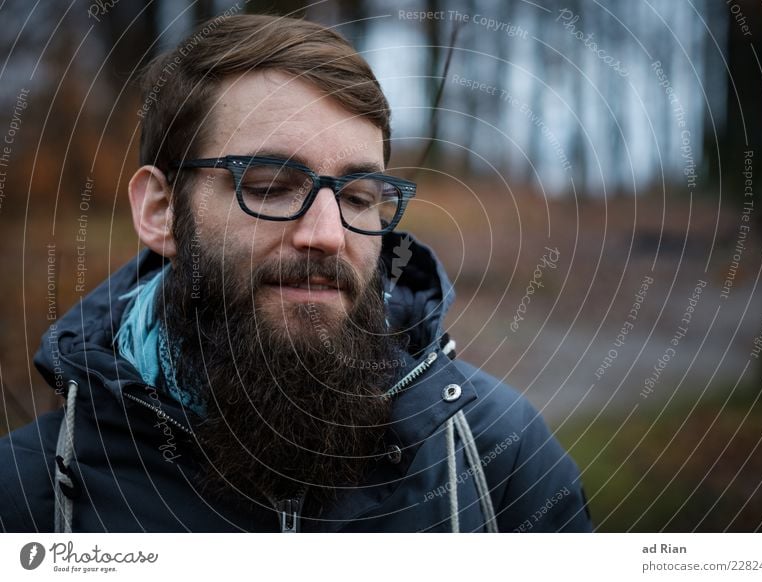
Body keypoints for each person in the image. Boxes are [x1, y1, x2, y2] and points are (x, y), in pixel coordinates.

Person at [0, 13, 591, 533]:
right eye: (270, 187)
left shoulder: (497, 464)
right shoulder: (34, 499)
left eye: (360, 197)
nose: (328, 235)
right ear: (160, 212)